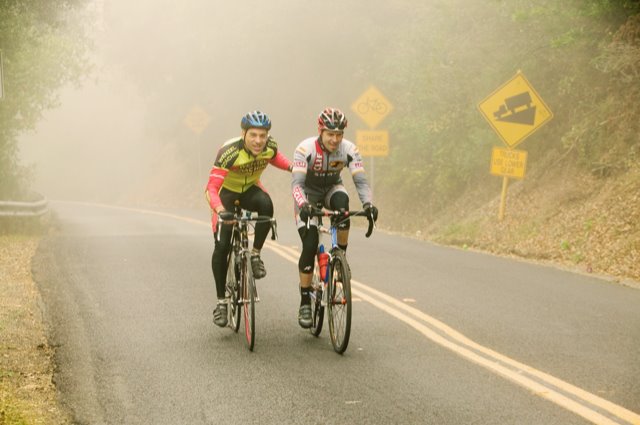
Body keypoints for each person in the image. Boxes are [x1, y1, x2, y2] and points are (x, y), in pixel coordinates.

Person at [291, 107, 378, 328]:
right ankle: (304, 302)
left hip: (332, 189)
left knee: (343, 207)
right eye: (330, 134)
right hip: (308, 195)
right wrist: (303, 205)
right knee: (310, 245)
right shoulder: (305, 149)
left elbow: (360, 181)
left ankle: (341, 258)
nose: (335, 139)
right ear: (320, 131)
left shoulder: (349, 150)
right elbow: (297, 185)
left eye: (339, 134)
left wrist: (368, 204)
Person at [206, 110, 291, 327]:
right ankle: (221, 303)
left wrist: (293, 167)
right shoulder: (229, 152)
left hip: (250, 190)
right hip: (226, 194)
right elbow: (211, 188)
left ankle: (255, 255)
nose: (258, 141)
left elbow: (275, 158)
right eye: (253, 135)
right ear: (243, 133)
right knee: (222, 246)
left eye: (262, 136)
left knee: (266, 205)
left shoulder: (269, 146)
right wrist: (219, 210)